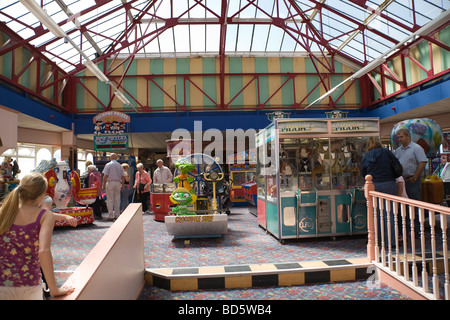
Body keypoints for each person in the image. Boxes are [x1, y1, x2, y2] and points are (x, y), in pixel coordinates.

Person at [0, 173, 74, 299]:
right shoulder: (45, 216)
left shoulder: (4, 212)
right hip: (30, 284)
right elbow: (44, 251)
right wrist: (54, 289)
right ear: (41, 197)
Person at [361, 137, 402, 244]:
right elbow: (397, 164)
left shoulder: (367, 156)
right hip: (389, 183)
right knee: (390, 213)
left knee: (376, 213)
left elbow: (363, 172)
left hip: (374, 185)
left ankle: (378, 240)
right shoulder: (387, 152)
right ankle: (392, 241)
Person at [393, 128, 427, 201]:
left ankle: (416, 213)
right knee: (403, 203)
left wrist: (415, 177)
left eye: (401, 137)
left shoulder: (416, 148)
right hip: (401, 181)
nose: (399, 139)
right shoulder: (398, 151)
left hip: (412, 180)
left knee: (414, 202)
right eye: (398, 137)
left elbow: (422, 163)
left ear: (408, 136)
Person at [102, 153, 124, 221]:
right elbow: (122, 176)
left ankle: (111, 215)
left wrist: (103, 184)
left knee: (110, 200)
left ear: (110, 158)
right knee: (117, 199)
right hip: (118, 183)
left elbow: (105, 175)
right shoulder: (120, 165)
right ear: (116, 158)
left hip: (110, 183)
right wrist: (122, 185)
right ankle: (117, 215)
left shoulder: (108, 165)